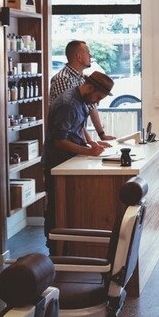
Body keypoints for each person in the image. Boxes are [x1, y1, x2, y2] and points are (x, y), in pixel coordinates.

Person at [43, 70, 115, 240]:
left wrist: (91, 141)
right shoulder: (67, 104)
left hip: (68, 160)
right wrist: (88, 151)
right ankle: (54, 247)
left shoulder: (79, 98)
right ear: (89, 87)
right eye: (98, 98)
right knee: (57, 208)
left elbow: (78, 125)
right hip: (57, 163)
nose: (96, 102)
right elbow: (59, 140)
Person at [49, 40, 116, 144]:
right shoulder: (63, 79)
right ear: (79, 57)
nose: (91, 55)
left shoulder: (82, 79)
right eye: (88, 53)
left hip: (76, 141)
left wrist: (101, 135)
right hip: (64, 144)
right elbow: (71, 117)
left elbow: (91, 106)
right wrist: (88, 145)